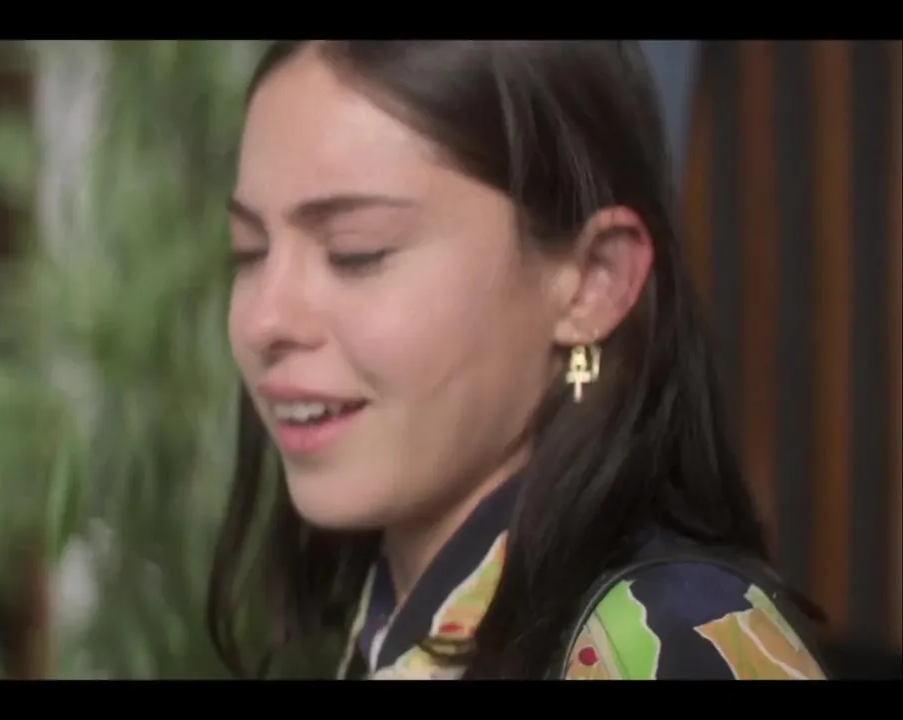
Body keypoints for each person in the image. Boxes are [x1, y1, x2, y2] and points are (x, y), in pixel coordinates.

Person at [206, 40, 829, 680]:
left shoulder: (662, 641)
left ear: (593, 281)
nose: (263, 321)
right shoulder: (394, 618)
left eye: (355, 251)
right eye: (249, 252)